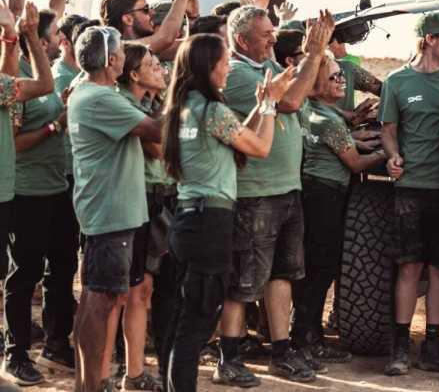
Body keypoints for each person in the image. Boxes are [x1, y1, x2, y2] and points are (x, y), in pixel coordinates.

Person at [159, 34, 292, 392]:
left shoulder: (184, 107)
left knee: (184, 321)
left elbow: (237, 137)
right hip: (208, 224)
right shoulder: (211, 110)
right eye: (224, 61)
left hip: (188, 220)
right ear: (207, 66)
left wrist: (263, 102)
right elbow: (260, 147)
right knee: (197, 324)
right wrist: (270, 105)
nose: (229, 68)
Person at [214, 7, 332, 385]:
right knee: (243, 281)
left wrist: (317, 57)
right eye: (265, 34)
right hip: (254, 195)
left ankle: (281, 350)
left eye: (272, 31)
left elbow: (308, 89)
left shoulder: (266, 70)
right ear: (241, 39)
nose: (272, 39)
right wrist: (313, 54)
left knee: (281, 274)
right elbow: (291, 102)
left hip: (284, 190)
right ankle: (228, 357)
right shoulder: (235, 74)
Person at [67, 26, 162, 392]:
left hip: (116, 213)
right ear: (111, 61)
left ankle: (91, 381)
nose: (126, 54)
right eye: (121, 50)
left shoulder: (92, 89)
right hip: (110, 216)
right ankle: (90, 384)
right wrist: (185, 92)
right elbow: (156, 131)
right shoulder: (100, 99)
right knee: (99, 301)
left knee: (104, 298)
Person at [379, 11, 439, 375]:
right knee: (408, 267)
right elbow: (388, 128)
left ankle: (433, 342)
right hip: (411, 187)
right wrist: (392, 155)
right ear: (430, 39)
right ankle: (401, 344)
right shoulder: (397, 81)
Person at [291, 53, 385, 360]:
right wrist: (388, 152)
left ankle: (305, 334)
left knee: (314, 269)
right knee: (322, 268)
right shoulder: (328, 121)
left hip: (314, 191)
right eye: (333, 77)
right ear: (317, 85)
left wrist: (352, 128)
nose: (342, 80)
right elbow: (355, 162)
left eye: (341, 75)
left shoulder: (311, 111)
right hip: (327, 196)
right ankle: (309, 338)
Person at [6, 9, 76, 381]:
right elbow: (16, 144)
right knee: (25, 275)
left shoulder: (40, 73)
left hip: (57, 188)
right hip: (27, 192)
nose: (54, 42)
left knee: (62, 269)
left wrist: (60, 111)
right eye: (47, 36)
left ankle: (55, 343)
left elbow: (48, 91)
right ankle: (16, 352)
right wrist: (55, 125)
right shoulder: (12, 80)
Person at [116, 43, 171, 391]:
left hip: (161, 197)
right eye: (153, 64)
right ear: (134, 74)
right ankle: (128, 370)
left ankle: (140, 370)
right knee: (133, 291)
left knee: (150, 289)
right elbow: (161, 145)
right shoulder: (126, 105)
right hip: (140, 201)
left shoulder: (151, 104)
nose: (161, 69)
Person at [98, 0, 195, 58]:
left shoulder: (148, 49)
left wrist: (192, 16)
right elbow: (166, 38)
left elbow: (189, 47)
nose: (153, 12)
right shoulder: (119, 49)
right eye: (145, 10)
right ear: (128, 19)